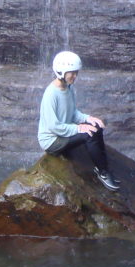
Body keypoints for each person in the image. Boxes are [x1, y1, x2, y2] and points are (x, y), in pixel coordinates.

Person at [37, 50, 120, 191]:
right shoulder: (51, 94)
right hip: (53, 141)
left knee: (96, 127)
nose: (75, 76)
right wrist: (78, 128)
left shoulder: (68, 88)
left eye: (76, 72)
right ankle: (103, 174)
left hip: (63, 133)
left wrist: (88, 119)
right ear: (62, 72)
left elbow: (73, 113)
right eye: (72, 73)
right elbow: (53, 126)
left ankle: (104, 167)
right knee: (89, 135)